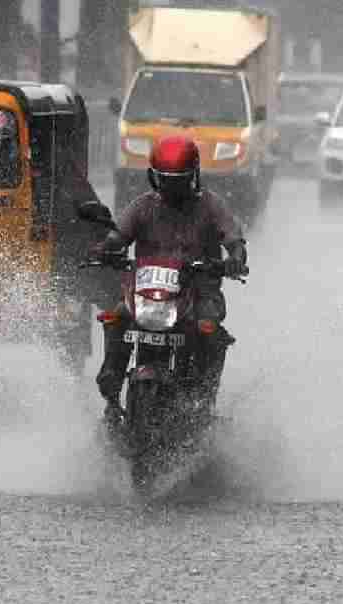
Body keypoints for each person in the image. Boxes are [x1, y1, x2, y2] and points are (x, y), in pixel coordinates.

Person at [89, 135, 249, 427]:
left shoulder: (211, 206)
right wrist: (106, 248)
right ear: (154, 177)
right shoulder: (142, 207)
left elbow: (232, 235)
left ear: (194, 176)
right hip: (146, 293)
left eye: (180, 180)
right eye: (166, 180)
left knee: (209, 327)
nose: (173, 187)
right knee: (117, 316)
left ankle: (203, 400)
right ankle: (111, 391)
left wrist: (235, 255)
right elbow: (119, 235)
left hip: (199, 292)